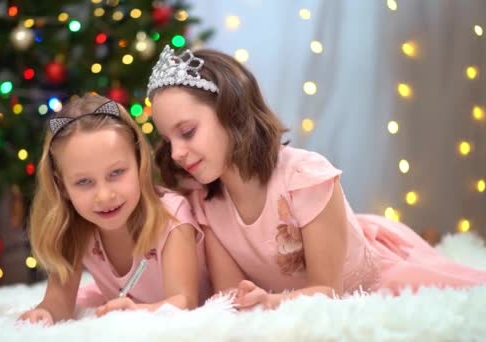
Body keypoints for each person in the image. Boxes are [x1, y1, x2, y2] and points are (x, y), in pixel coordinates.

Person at [147, 45, 486, 310]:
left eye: (187, 132)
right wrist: (250, 300)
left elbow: (329, 291)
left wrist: (271, 302)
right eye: (168, 139)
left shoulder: (304, 177)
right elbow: (231, 297)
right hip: (289, 300)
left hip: (369, 283)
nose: (176, 152)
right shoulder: (205, 203)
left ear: (231, 112)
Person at [18, 93, 210, 325]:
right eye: (84, 182)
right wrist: (45, 313)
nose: (104, 196)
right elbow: (59, 302)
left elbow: (184, 302)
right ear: (62, 187)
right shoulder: (74, 228)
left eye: (116, 173)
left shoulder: (170, 217)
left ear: (140, 163)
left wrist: (136, 312)